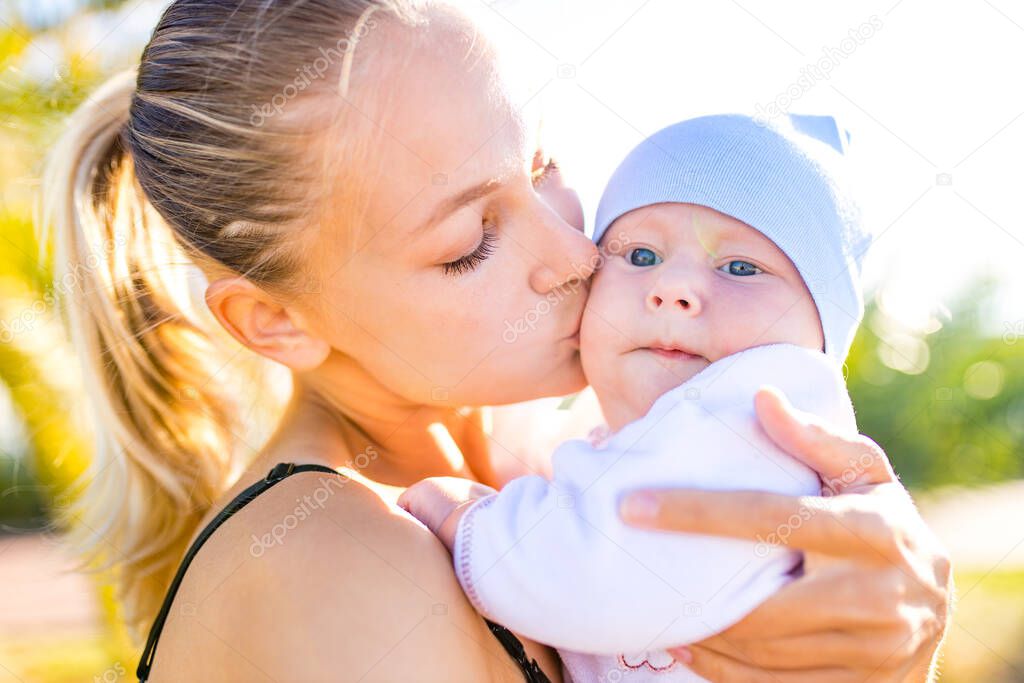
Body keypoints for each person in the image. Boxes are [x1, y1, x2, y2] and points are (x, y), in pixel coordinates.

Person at [40, 0, 951, 680]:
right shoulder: (325, 566)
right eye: (470, 244)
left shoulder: (572, 469)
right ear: (276, 320)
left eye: (542, 162)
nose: (572, 249)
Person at [399, 113, 880, 681]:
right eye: (642, 256)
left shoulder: (759, 422)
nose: (673, 289)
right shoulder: (665, 443)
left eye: (741, 267)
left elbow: (596, 578)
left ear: (820, 341)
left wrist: (467, 520)